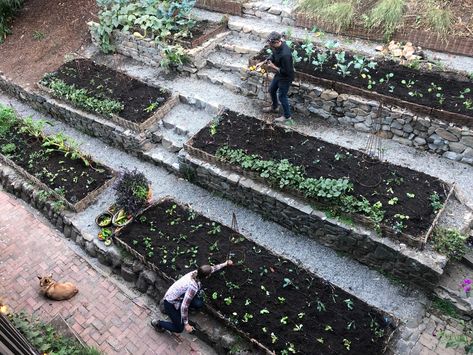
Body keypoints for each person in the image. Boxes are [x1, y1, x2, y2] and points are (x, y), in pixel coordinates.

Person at [151, 260, 233, 333]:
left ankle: (178, 313)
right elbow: (184, 306)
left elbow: (213, 268)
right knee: (179, 328)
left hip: (178, 296)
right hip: (170, 302)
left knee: (199, 303)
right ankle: (158, 323)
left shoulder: (196, 273)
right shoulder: (193, 286)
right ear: (207, 276)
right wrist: (186, 324)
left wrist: (225, 263)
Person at [256, 31, 295, 122]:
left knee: (282, 96)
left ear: (277, 42)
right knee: (272, 89)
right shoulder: (276, 46)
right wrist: (263, 62)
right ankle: (274, 107)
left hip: (286, 77)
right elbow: (273, 55)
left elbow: (287, 71)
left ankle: (287, 116)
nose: (270, 46)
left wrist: (273, 67)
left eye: (271, 44)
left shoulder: (285, 54)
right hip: (279, 74)